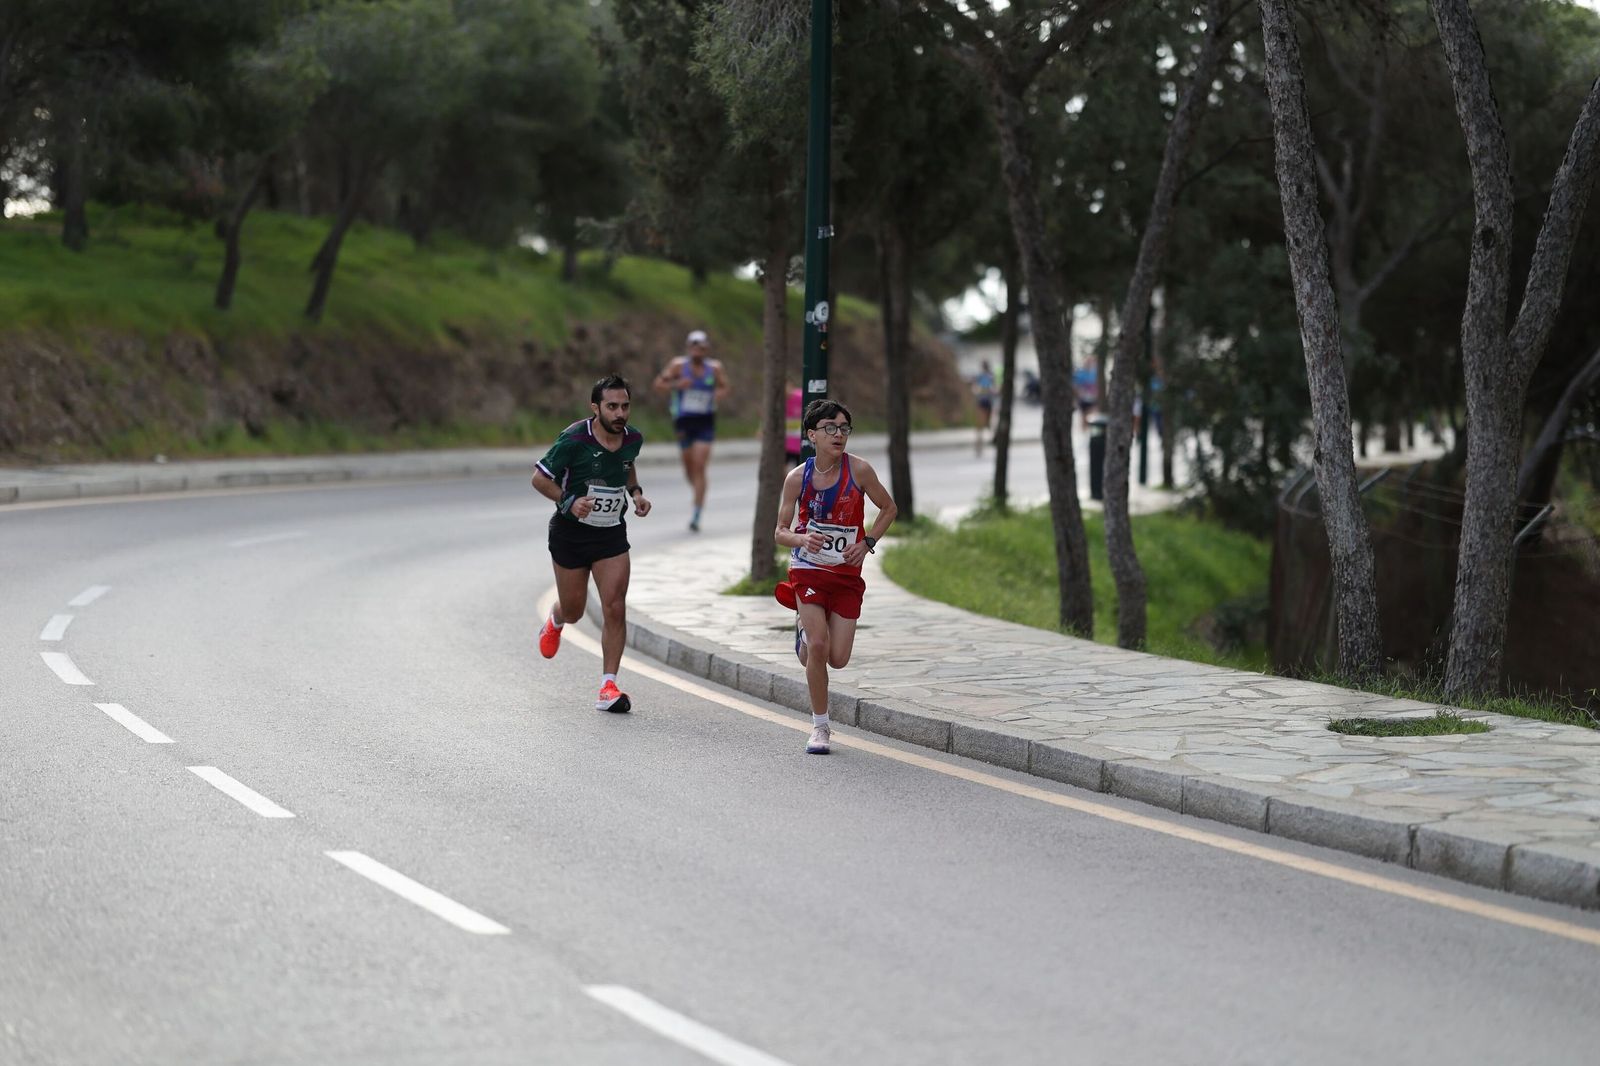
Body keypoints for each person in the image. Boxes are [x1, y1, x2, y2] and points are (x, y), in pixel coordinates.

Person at [773, 400, 897, 755]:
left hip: (845, 574)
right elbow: (780, 532)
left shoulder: (859, 471)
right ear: (812, 435)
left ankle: (804, 633)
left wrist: (867, 543)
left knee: (838, 658)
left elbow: (889, 508)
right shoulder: (797, 478)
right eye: (830, 428)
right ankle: (820, 727)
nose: (838, 434)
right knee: (819, 646)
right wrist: (801, 540)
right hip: (808, 569)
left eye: (844, 428)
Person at [531, 374, 652, 714]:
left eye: (625, 406)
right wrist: (568, 501)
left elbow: (627, 465)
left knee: (614, 606)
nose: (620, 413)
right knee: (575, 610)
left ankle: (608, 686)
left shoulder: (633, 439)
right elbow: (539, 479)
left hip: (610, 533)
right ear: (595, 407)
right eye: (612, 406)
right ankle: (556, 619)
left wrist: (636, 493)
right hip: (570, 534)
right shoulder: (574, 439)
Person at [653, 329, 729, 531]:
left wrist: (718, 395)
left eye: (701, 347)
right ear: (688, 348)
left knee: (699, 465)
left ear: (706, 349)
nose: (697, 351)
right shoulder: (678, 365)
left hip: (705, 421)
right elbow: (659, 384)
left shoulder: (714, 368)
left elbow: (724, 386)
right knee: (689, 467)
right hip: (683, 421)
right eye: (694, 347)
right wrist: (677, 384)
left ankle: (697, 512)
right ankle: (697, 490)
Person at [972, 359, 997, 455]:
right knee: (987, 424)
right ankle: (981, 444)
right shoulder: (989, 376)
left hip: (983, 401)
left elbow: (978, 389)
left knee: (981, 425)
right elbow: (993, 389)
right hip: (987, 401)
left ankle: (979, 444)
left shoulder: (983, 376)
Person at [1073, 355, 1099, 431]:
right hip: (1083, 400)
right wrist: (1078, 395)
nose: (1090, 364)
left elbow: (1097, 386)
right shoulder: (1080, 374)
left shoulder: (1095, 373)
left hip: (1093, 399)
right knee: (1083, 418)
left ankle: (1089, 432)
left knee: (1092, 417)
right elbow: (1076, 386)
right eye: (1088, 362)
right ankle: (1084, 432)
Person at [784, 382, 804, 467]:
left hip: (798, 443)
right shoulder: (778, 401)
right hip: (785, 443)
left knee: (799, 467)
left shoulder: (801, 397)